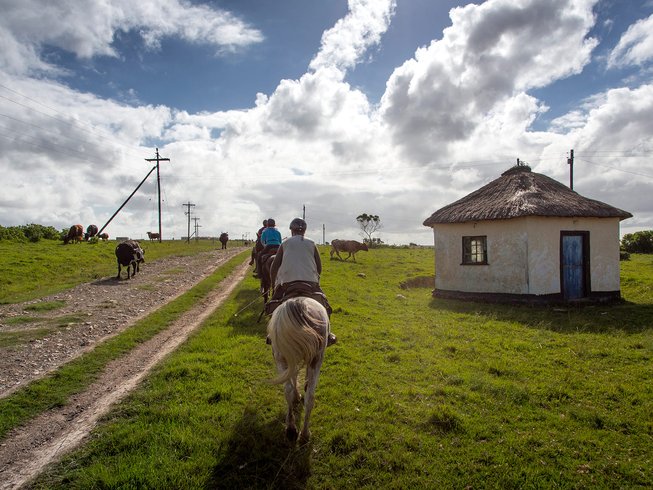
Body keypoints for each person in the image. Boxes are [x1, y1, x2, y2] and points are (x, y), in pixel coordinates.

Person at [268, 218, 336, 346]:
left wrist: (273, 285)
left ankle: (272, 334)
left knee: (273, 304)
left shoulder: (285, 243)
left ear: (291, 230)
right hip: (310, 284)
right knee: (325, 305)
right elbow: (319, 266)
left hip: (287, 284)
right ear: (304, 230)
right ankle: (327, 334)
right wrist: (316, 279)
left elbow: (274, 267)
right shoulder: (311, 243)